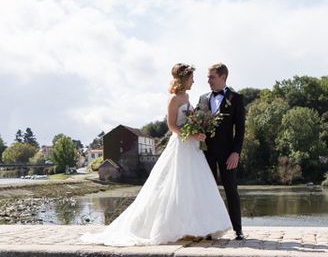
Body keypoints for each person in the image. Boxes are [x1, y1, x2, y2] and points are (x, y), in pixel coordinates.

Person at [80, 63, 231, 246]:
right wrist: (192, 133)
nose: (194, 81)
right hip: (181, 145)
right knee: (175, 185)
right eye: (192, 78)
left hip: (192, 147)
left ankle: (195, 228)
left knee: (193, 186)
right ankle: (176, 228)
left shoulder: (187, 96)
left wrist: (198, 128)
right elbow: (172, 127)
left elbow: (188, 120)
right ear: (184, 79)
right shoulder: (173, 99)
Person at [197, 63, 246, 240]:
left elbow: (240, 130)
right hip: (206, 153)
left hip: (228, 154)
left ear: (223, 77)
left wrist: (236, 152)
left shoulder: (236, 98)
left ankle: (238, 229)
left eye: (212, 77)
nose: (208, 80)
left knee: (231, 190)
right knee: (208, 190)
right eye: (208, 77)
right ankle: (209, 229)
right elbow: (196, 123)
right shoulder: (202, 99)